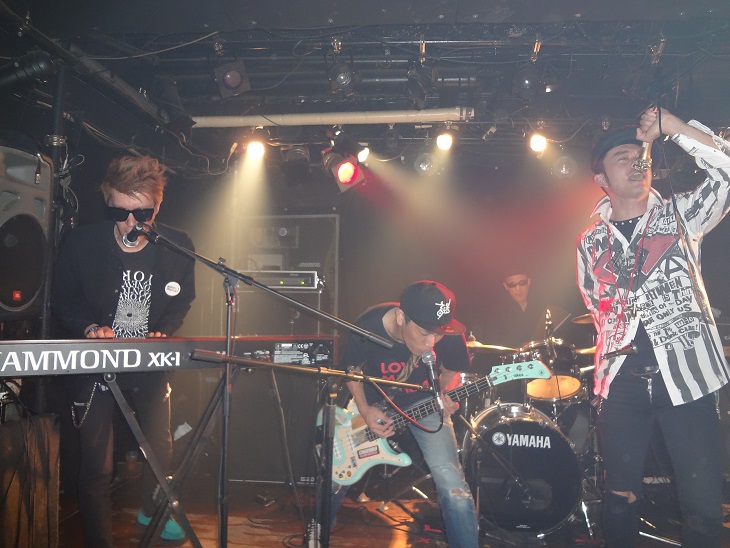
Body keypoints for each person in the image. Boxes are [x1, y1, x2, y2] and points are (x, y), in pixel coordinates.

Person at [576, 107, 730, 547]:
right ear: (602, 178)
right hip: (622, 385)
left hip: (689, 379)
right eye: (622, 157)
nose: (637, 162)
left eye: (640, 155)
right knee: (619, 500)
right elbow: (597, 306)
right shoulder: (589, 242)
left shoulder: (679, 215)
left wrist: (675, 130)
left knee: (702, 506)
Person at [52, 155, 196, 547]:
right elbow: (63, 299)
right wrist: (88, 328)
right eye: (120, 212)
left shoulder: (178, 246)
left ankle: (153, 509)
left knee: (159, 448)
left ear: (157, 206)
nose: (131, 222)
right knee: (96, 464)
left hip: (149, 362)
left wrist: (165, 330)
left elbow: (183, 299)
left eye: (142, 213)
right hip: (96, 363)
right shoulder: (82, 243)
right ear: (109, 205)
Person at [332, 280, 479, 548]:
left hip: (425, 404)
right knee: (335, 472)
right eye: (424, 333)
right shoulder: (368, 326)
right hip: (374, 404)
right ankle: (317, 534)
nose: (431, 343)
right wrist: (364, 409)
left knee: (454, 487)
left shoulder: (450, 332)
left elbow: (451, 372)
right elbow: (351, 370)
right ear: (401, 317)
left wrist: (445, 395)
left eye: (437, 334)